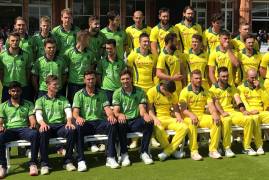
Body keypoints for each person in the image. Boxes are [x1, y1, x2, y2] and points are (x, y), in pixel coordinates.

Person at [73, 70, 119, 170]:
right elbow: (75, 112)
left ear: (96, 79)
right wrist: (78, 117)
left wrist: (111, 115)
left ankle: (110, 157)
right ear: (84, 80)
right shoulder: (78, 94)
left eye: (92, 78)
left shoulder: (102, 93)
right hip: (86, 123)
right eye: (88, 79)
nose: (91, 81)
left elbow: (107, 109)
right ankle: (81, 160)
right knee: (78, 127)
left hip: (99, 123)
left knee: (112, 123)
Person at [209, 67, 256, 157]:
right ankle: (227, 148)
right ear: (218, 76)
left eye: (227, 76)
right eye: (223, 76)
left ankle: (246, 147)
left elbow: (238, 100)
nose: (226, 78)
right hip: (220, 113)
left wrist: (243, 111)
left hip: (231, 112)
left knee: (249, 119)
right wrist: (222, 112)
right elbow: (215, 103)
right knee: (226, 121)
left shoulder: (232, 88)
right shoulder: (212, 89)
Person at [36, 75, 76, 175]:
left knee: (71, 130)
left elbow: (68, 112)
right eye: (55, 84)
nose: (57, 86)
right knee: (43, 131)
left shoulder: (63, 99)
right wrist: (42, 123)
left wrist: (69, 122)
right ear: (47, 85)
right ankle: (45, 164)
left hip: (60, 126)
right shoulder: (40, 100)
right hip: (47, 126)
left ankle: (68, 161)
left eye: (58, 84)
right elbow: (38, 114)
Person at [113, 69, 154, 166]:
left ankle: (144, 152)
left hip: (135, 121)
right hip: (124, 121)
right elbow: (115, 111)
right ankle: (124, 153)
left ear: (131, 79)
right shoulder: (117, 93)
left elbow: (142, 109)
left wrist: (146, 115)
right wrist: (120, 114)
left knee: (149, 122)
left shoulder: (140, 91)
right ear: (120, 80)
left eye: (127, 78)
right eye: (123, 79)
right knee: (120, 123)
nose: (125, 81)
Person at [179, 69, 222, 160]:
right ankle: (194, 151)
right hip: (188, 116)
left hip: (202, 116)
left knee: (216, 121)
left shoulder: (206, 91)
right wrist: (191, 115)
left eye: (200, 78)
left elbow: (211, 106)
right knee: (192, 122)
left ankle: (213, 150)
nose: (199, 80)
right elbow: (183, 110)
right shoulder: (185, 91)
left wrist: (214, 114)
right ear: (191, 79)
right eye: (196, 78)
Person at [0, 81, 39, 178]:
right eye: (13, 91)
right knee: (0, 136)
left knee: (35, 134)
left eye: (17, 91)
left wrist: (33, 123)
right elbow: (0, 120)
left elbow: (32, 118)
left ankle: (33, 164)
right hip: (10, 130)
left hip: (23, 129)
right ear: (9, 92)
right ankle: (2, 166)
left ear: (21, 91)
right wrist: (0, 126)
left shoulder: (28, 104)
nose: (15, 93)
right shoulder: (3, 106)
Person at [147, 80, 188, 161]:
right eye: (169, 93)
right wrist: (155, 119)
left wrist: (179, 117)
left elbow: (176, 108)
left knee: (184, 127)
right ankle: (173, 152)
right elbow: (150, 109)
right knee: (159, 130)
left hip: (169, 118)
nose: (171, 95)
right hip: (157, 118)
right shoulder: (151, 91)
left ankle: (167, 152)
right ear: (163, 88)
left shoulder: (173, 93)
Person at [237, 69, 269, 155]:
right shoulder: (241, 87)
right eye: (252, 77)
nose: (254, 79)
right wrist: (250, 111)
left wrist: (260, 89)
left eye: (255, 77)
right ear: (247, 77)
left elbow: (267, 101)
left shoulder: (261, 87)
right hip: (250, 112)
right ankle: (259, 146)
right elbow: (243, 102)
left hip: (261, 111)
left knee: (259, 116)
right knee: (255, 118)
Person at [65, 30, 95, 104]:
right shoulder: (69, 52)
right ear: (82, 39)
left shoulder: (90, 53)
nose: (89, 41)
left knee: (85, 105)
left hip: (86, 84)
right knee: (73, 105)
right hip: (73, 84)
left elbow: (92, 66)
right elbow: (65, 67)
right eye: (88, 39)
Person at [0, 32, 32, 102]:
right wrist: (4, 83)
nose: (15, 42)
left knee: (25, 109)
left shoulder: (26, 55)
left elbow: (28, 71)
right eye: (12, 40)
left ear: (20, 41)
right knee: (6, 110)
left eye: (17, 40)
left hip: (22, 86)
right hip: (7, 87)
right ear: (8, 41)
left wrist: (26, 82)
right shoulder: (2, 56)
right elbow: (1, 72)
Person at [97, 39, 126, 104]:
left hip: (118, 90)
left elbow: (123, 76)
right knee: (107, 110)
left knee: (117, 110)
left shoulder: (121, 62)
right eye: (107, 48)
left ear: (115, 48)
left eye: (110, 48)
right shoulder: (102, 62)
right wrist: (101, 86)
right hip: (106, 90)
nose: (108, 50)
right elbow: (98, 76)